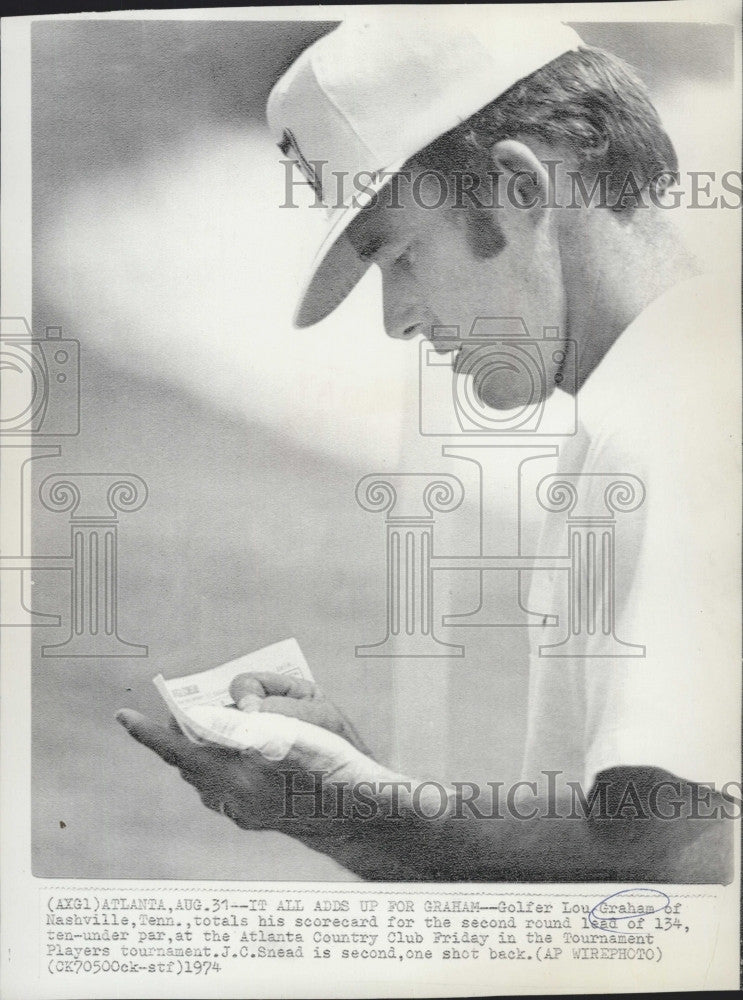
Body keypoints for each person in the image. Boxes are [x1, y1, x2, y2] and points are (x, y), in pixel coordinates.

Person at [117, 17, 738, 881]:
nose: (397, 318)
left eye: (400, 254)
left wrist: (352, 813)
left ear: (519, 190)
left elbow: (689, 874)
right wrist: (362, 791)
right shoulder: (687, 389)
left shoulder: (673, 426)